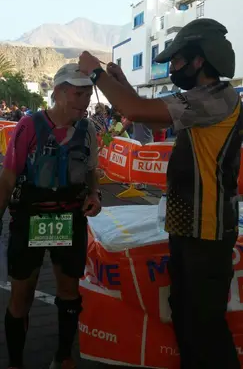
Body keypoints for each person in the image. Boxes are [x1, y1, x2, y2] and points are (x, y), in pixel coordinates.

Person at [79, 18, 242, 369]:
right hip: (191, 228)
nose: (173, 67)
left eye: (179, 59)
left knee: (206, 328)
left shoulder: (216, 99)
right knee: (186, 317)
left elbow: (138, 111)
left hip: (208, 231)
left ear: (200, 60)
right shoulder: (201, 99)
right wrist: (120, 84)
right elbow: (152, 119)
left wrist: (96, 74)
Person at [1, 63, 101, 369]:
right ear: (58, 93)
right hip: (29, 219)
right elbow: (7, 178)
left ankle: (64, 356)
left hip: (70, 221)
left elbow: (92, 171)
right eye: (76, 93)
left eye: (87, 93)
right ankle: (16, 362)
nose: (84, 100)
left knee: (69, 293)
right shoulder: (28, 127)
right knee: (22, 296)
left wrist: (95, 195)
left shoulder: (89, 130)